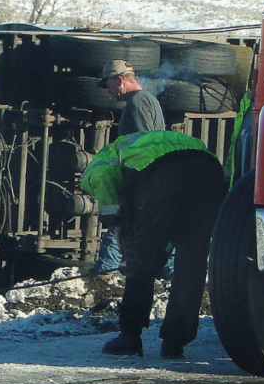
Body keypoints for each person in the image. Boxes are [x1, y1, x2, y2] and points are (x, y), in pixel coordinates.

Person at [81, 130, 226, 359]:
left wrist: (122, 234)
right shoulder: (140, 144)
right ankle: (175, 342)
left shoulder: (97, 168)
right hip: (209, 174)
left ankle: (129, 337)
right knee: (192, 262)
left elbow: (113, 206)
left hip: (162, 175)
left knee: (142, 259)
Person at [93, 60, 166, 277]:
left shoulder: (137, 104)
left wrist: (136, 183)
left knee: (122, 222)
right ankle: (171, 273)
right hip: (153, 179)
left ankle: (105, 273)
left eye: (109, 84)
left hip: (144, 180)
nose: (109, 90)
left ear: (119, 79)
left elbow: (143, 148)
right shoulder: (147, 100)